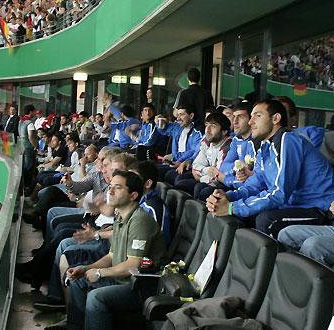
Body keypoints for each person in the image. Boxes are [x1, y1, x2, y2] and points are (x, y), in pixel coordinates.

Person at [45, 170, 166, 330]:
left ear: (133, 195)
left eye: (118, 187)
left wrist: (100, 273)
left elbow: (134, 264)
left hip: (139, 286)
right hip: (122, 279)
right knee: (78, 280)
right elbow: (111, 256)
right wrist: (86, 268)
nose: (110, 191)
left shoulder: (140, 221)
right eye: (110, 186)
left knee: (96, 297)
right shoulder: (121, 217)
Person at [207, 99, 334, 237]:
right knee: (242, 214)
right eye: (251, 117)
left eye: (257, 116)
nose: (250, 122)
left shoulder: (288, 140)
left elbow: (279, 193)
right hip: (293, 205)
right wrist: (228, 197)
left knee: (266, 221)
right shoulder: (265, 147)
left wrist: (232, 207)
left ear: (275, 118)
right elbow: (255, 185)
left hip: (321, 209)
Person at [194, 101, 255, 201]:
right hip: (233, 183)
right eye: (234, 117)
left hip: (245, 188)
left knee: (205, 192)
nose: (235, 121)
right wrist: (237, 167)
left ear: (251, 120)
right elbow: (224, 167)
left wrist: (226, 176)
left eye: (240, 117)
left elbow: (253, 180)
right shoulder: (236, 140)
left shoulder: (257, 143)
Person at [174, 112, 232, 196]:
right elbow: (196, 165)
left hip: (223, 184)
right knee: (180, 181)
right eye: (206, 125)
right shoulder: (207, 141)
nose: (207, 130)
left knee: (200, 188)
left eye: (213, 126)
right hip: (207, 177)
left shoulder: (228, 147)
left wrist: (200, 178)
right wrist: (207, 170)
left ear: (224, 131)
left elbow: (217, 177)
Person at [156, 106, 203, 186]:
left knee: (162, 173)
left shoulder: (198, 132)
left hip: (186, 164)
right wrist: (159, 122)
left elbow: (193, 151)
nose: (178, 118)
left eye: (181, 114)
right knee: (152, 169)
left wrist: (174, 156)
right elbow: (164, 130)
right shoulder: (177, 127)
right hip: (174, 162)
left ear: (191, 116)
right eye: (177, 115)